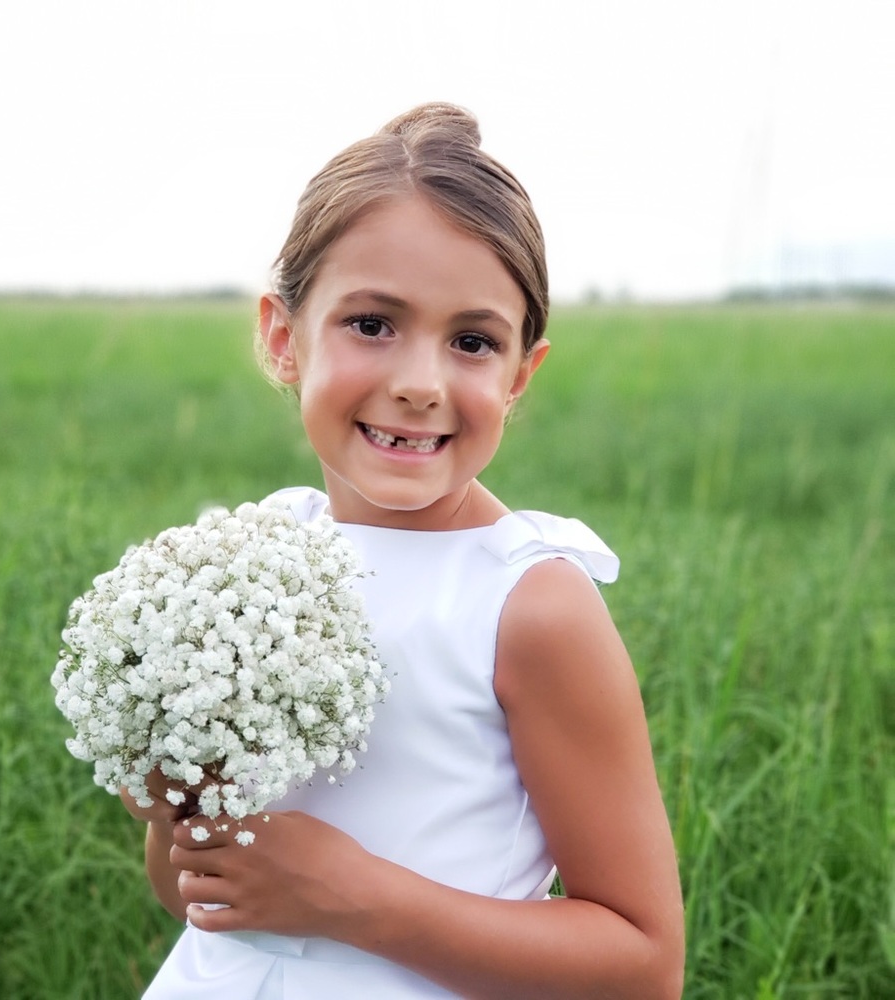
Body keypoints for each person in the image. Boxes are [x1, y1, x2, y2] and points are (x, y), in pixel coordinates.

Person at [120, 102, 685, 999]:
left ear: (520, 374)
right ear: (283, 337)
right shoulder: (255, 562)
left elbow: (644, 967)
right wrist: (172, 811)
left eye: (472, 341)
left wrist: (357, 899)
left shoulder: (527, 604)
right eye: (373, 324)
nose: (420, 384)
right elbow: (200, 895)